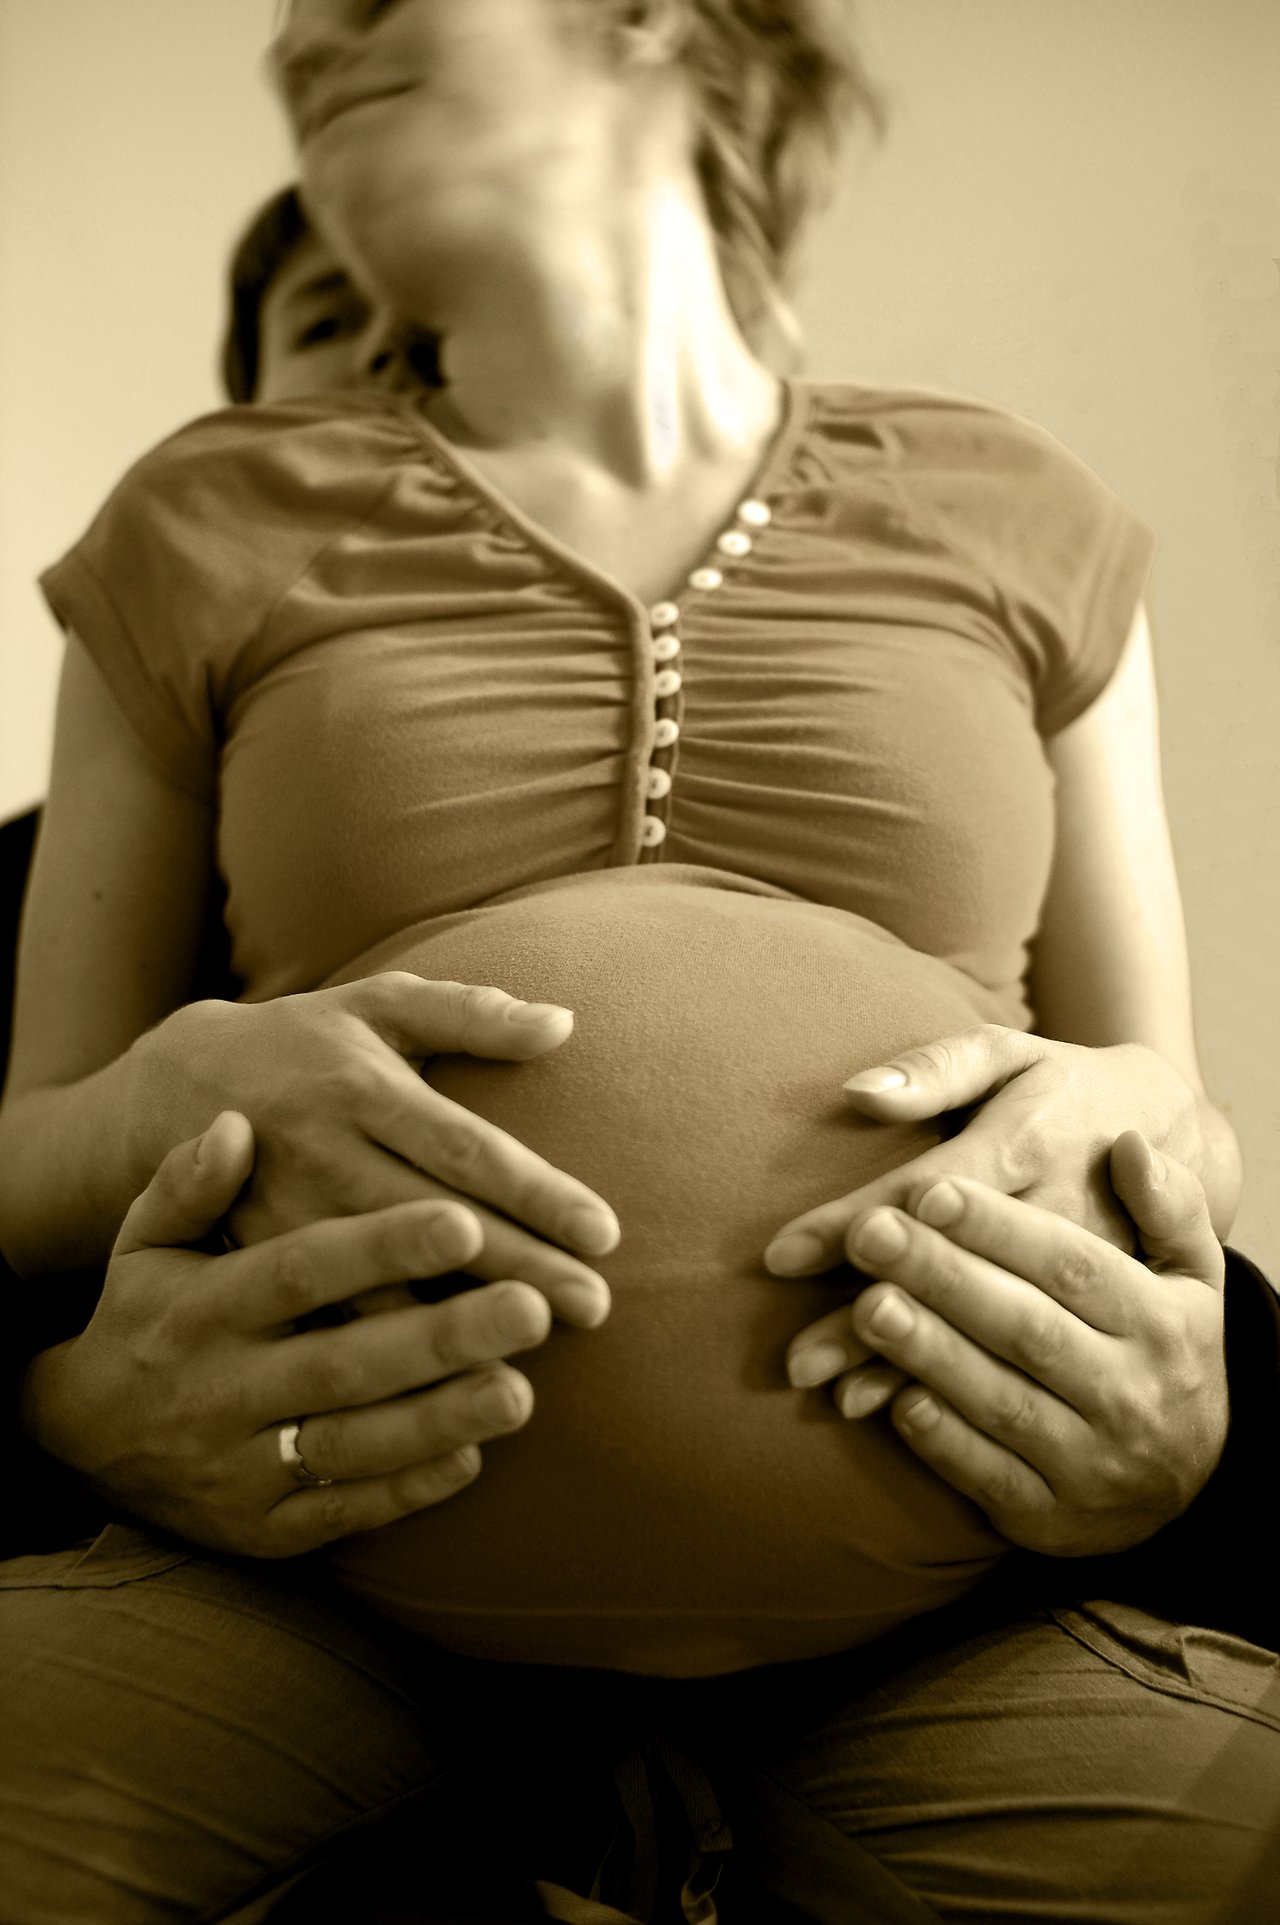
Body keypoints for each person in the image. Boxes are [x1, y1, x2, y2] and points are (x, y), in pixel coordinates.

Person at [1, 0, 1277, 1912]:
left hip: (948, 1624)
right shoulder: (202, 519)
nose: (307, 39)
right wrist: (150, 1113)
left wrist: (1180, 1344)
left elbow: (1168, 1113)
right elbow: (26, 1162)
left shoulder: (1024, 515)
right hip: (298, 1592)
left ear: (652, 21)